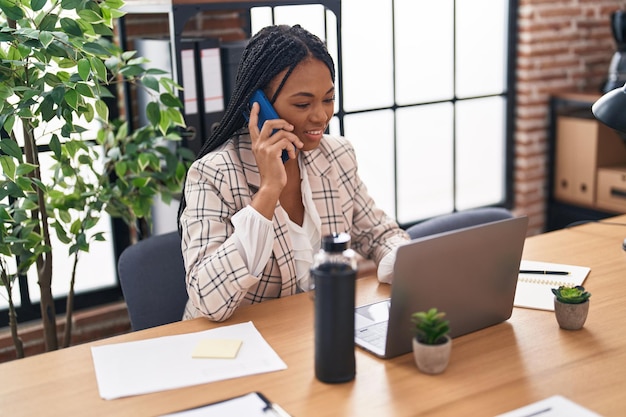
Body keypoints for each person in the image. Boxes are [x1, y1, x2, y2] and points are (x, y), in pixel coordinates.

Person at [177, 24, 410, 322]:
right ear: (257, 106)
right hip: (235, 345)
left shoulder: (336, 155)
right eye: (303, 103)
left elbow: (380, 234)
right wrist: (268, 191)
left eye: (328, 99)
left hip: (308, 332)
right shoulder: (213, 174)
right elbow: (208, 300)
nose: (321, 116)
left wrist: (406, 263)